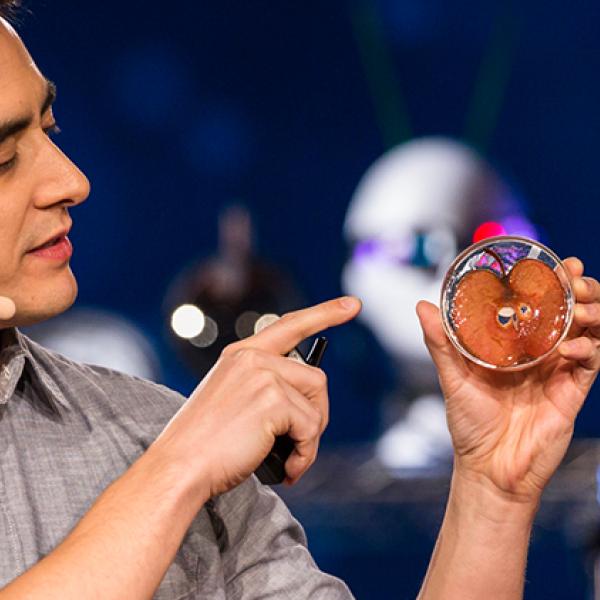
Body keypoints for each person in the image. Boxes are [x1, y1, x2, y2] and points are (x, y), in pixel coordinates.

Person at [0, 3, 599, 598]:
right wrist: (176, 471)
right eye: (3, 160)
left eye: (50, 129)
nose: (71, 181)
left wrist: (494, 489)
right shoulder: (185, 455)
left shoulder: (156, 435)